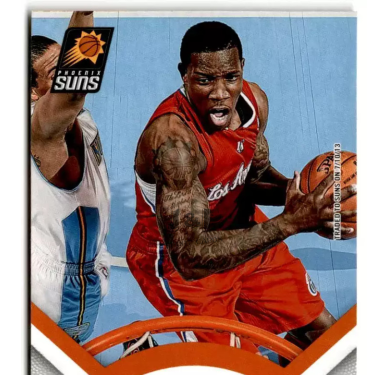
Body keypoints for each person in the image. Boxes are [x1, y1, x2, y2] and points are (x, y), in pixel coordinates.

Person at [126, 21, 356, 357]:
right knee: (242, 374)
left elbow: (248, 178)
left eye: (230, 77)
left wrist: (304, 197)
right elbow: (189, 256)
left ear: (242, 69)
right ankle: (147, 358)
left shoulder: (253, 102)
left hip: (246, 232)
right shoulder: (174, 143)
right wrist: (291, 222)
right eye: (205, 80)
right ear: (184, 75)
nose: (220, 92)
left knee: (327, 343)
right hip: (185, 267)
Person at [30, 11, 111, 344]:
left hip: (81, 267)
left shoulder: (79, 119)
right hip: (56, 290)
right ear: (33, 92)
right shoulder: (44, 130)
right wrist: (85, 11)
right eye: (57, 71)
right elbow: (75, 89)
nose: (67, 70)